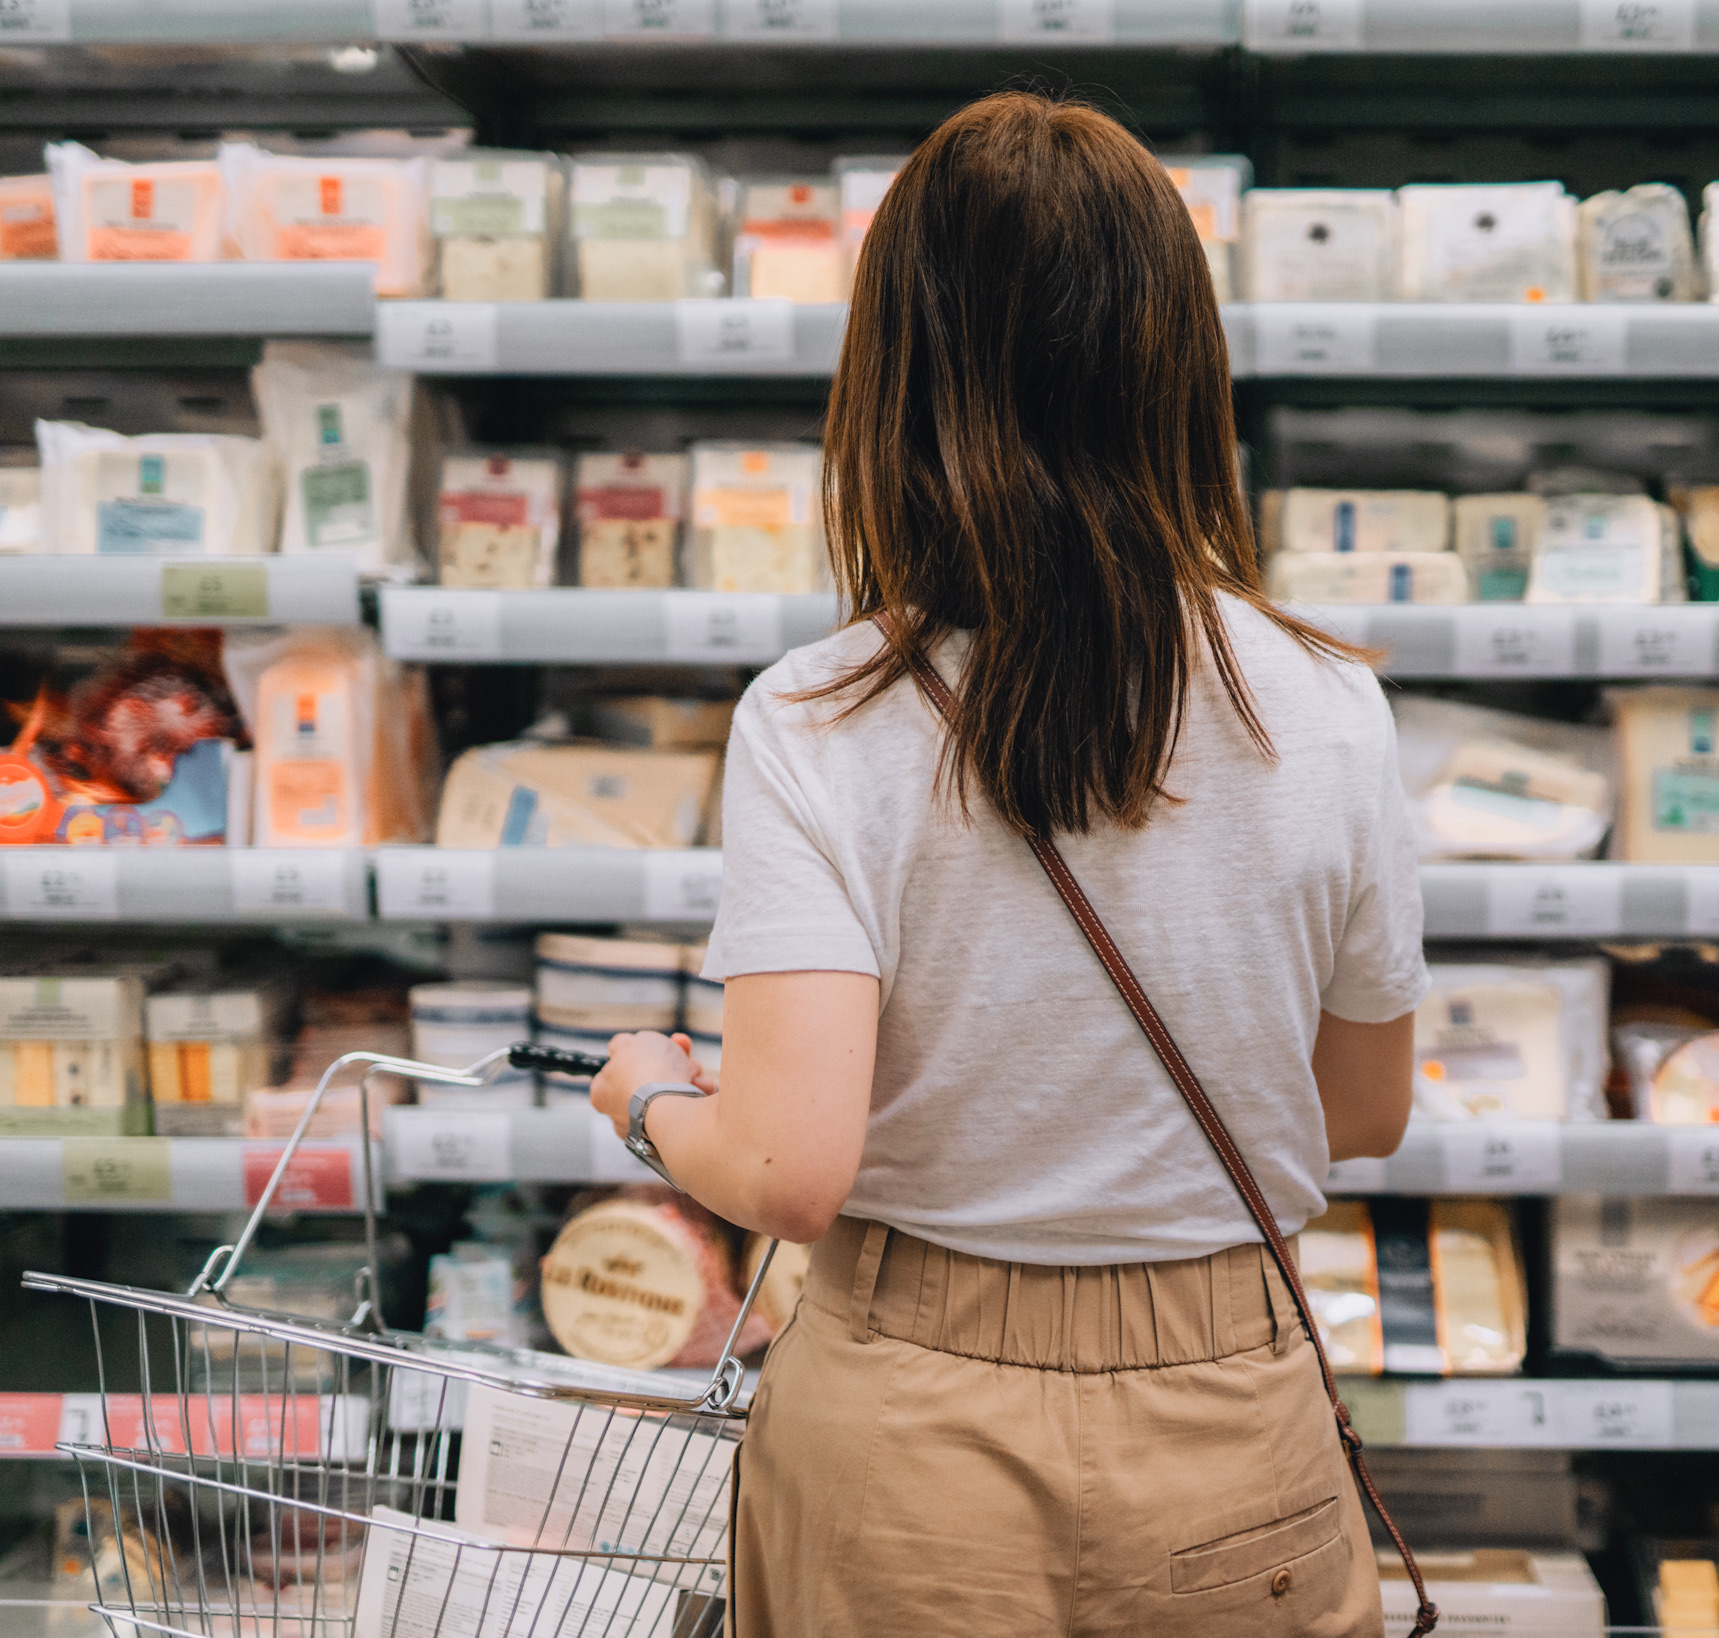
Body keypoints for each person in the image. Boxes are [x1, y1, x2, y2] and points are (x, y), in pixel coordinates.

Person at [589, 88, 1425, 1638]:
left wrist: (646, 1089)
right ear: (1178, 359)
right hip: (1227, 1408)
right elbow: (1364, 1109)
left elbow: (786, 1165)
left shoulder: (821, 717)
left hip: (910, 1430)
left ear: (895, 371)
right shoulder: (1329, 706)